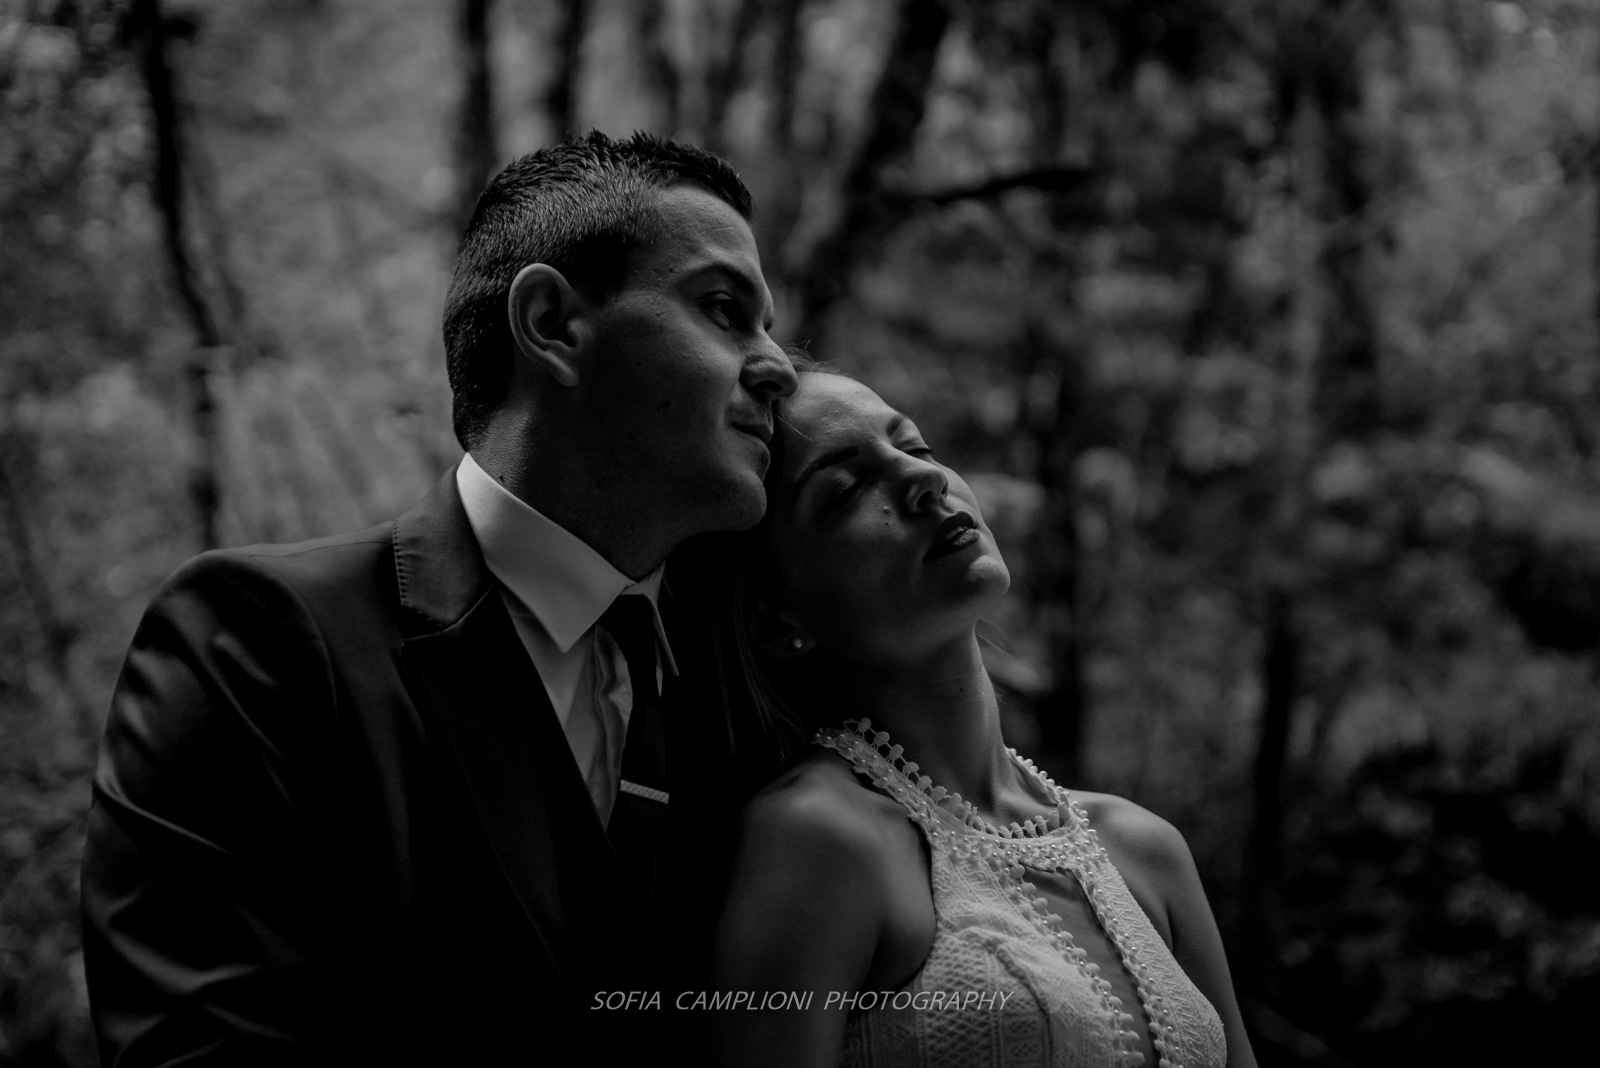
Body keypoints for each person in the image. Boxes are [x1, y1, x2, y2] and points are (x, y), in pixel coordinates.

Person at [80, 131, 797, 1065]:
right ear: (553, 324)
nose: (778, 366)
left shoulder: (746, 690)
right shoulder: (257, 641)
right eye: (724, 310)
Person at [702, 370, 1257, 1068]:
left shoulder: (1144, 847)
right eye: (844, 489)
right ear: (777, 619)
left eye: (917, 447)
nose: (922, 479)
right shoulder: (819, 839)